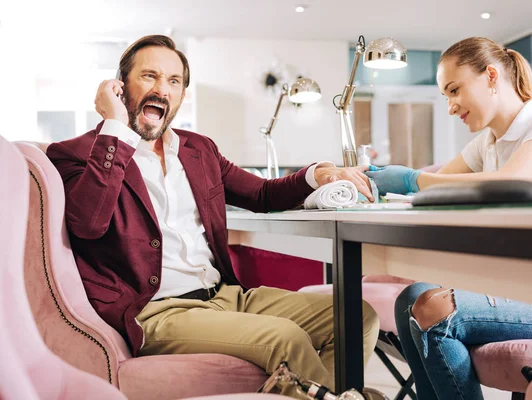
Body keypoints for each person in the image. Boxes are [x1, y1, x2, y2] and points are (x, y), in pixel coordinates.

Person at [46, 35, 379, 398]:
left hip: (225, 295)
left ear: (183, 95)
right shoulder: (76, 153)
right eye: (149, 76)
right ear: (119, 86)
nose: (161, 89)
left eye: (173, 81)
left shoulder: (198, 149)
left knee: (356, 316)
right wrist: (114, 128)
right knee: (286, 337)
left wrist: (318, 174)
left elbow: (261, 194)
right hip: (156, 312)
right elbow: (88, 223)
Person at [366, 37, 532, 399]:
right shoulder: (488, 142)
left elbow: (516, 180)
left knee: (433, 310)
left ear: (491, 75)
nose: (450, 107)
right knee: (408, 298)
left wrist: (413, 178)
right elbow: (436, 186)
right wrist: (376, 181)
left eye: (454, 90)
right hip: (518, 289)